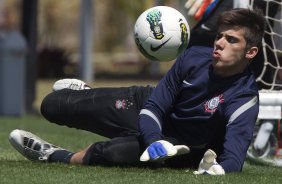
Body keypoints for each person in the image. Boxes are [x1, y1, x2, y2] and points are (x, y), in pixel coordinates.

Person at [9, 8, 266, 175]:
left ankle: (53, 155)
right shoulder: (193, 58)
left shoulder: (244, 98)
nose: (219, 43)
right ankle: (86, 94)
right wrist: (153, 138)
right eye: (220, 36)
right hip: (148, 107)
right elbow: (154, 107)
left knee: (110, 153)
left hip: (178, 145)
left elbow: (234, 158)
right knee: (52, 105)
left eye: (231, 40)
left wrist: (217, 171)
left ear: (250, 52)